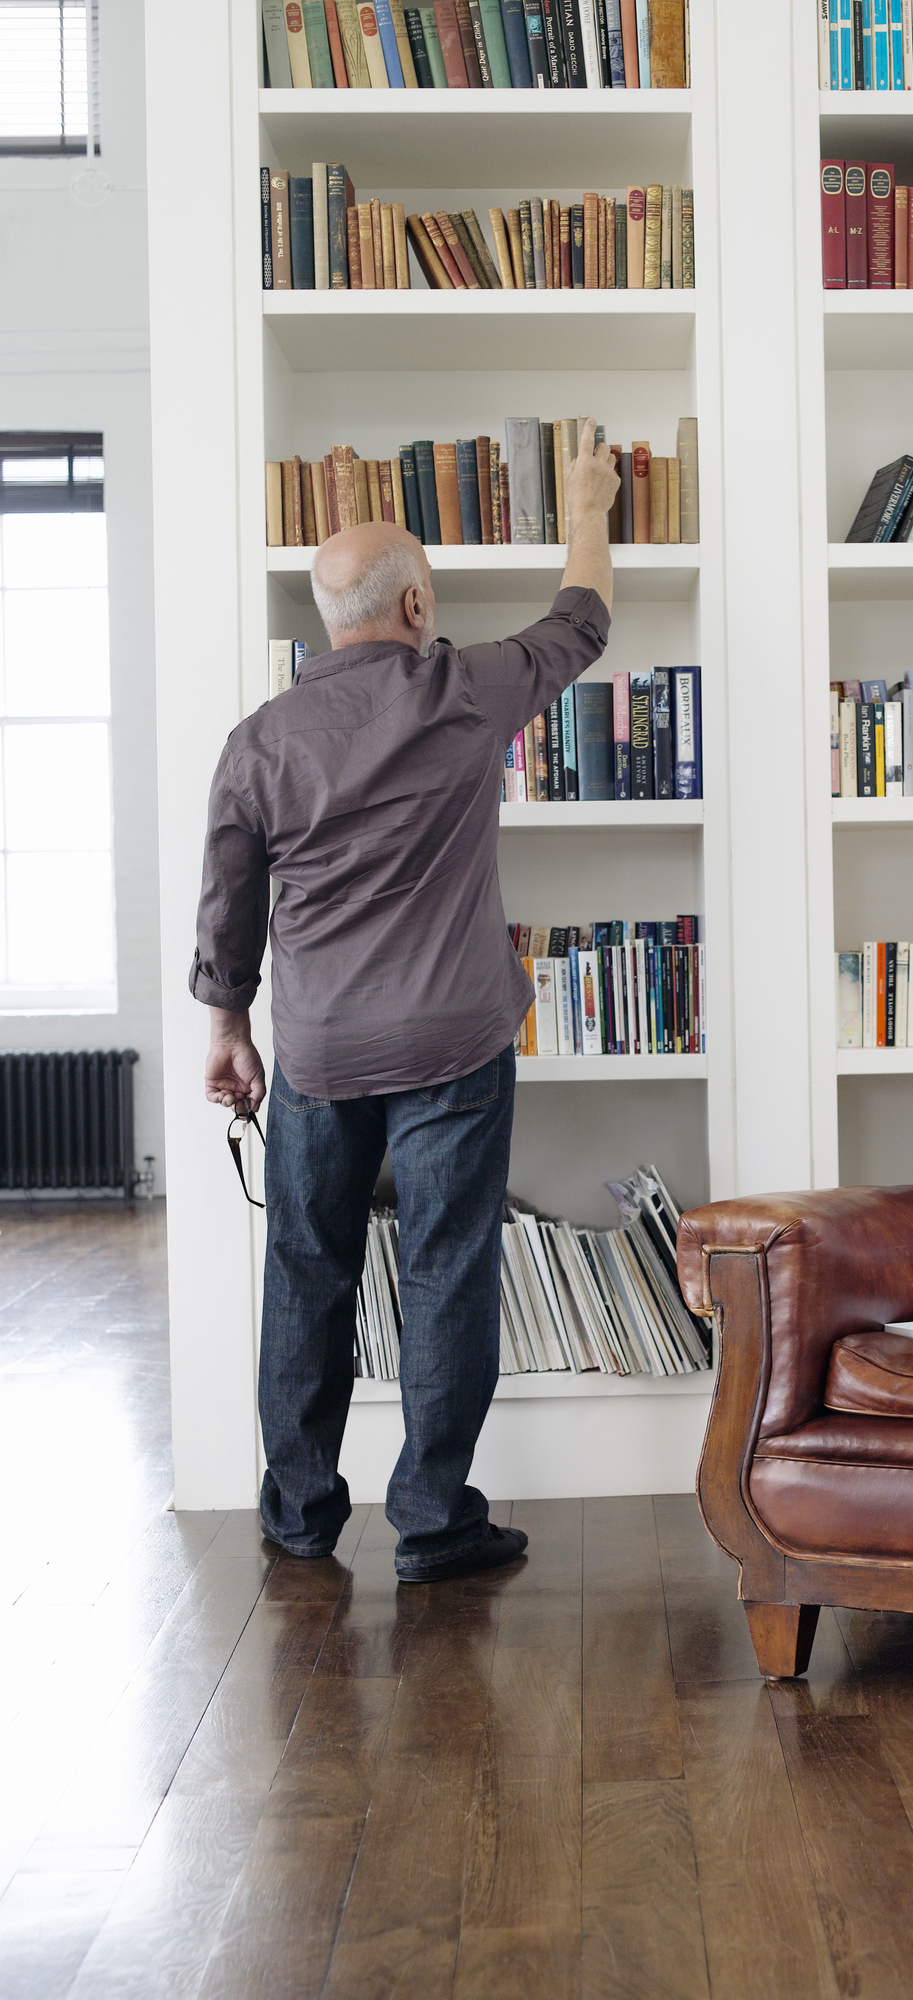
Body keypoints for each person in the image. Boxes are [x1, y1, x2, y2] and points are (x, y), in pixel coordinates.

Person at [192, 421, 620, 1582]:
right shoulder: (461, 691)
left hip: (321, 1056)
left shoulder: (258, 742)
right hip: (452, 1044)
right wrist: (586, 499)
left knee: (308, 1275)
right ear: (418, 608)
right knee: (446, 1268)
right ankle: (433, 1522)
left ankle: (296, 1515)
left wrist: (228, 1030)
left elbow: (227, 907)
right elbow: (582, 621)